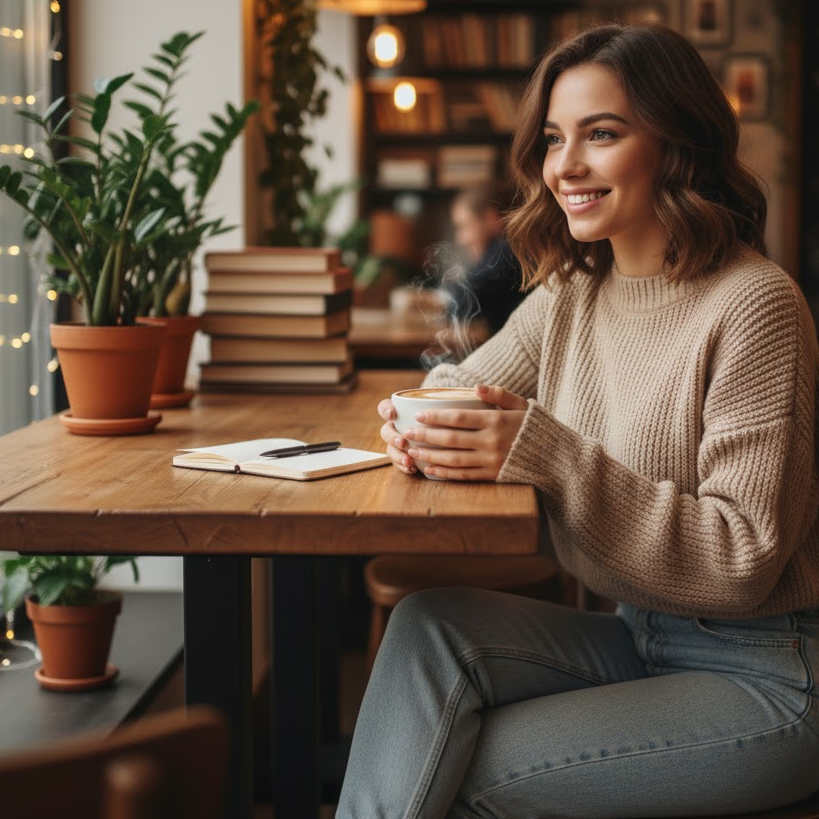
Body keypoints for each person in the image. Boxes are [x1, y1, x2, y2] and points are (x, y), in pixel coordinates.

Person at [336, 22, 819, 819]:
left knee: (448, 764)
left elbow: (744, 557)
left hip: (768, 676)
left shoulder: (754, 304)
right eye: (555, 138)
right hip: (638, 636)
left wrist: (552, 455)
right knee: (428, 626)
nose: (564, 166)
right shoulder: (574, 290)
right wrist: (420, 417)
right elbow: (465, 380)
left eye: (601, 134)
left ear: (676, 143)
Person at [445, 182, 527, 336]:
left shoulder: (509, 251)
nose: (461, 239)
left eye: (464, 226)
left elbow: (462, 300)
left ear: (491, 218)